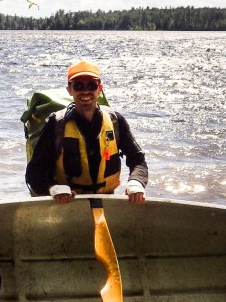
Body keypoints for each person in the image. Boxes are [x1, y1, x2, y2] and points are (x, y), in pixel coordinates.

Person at [26, 60, 148, 204]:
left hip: (106, 199)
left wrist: (136, 182)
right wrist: (52, 188)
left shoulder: (115, 121)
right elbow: (34, 173)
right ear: (69, 90)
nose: (85, 91)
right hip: (68, 204)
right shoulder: (56, 124)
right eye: (78, 86)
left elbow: (138, 160)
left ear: (99, 89)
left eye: (91, 85)